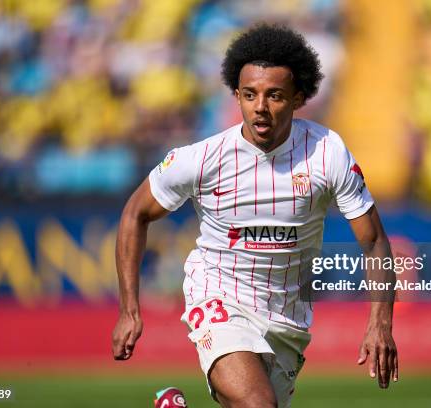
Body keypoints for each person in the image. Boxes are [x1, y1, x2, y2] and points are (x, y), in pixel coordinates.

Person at [112, 23, 398, 408]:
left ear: (299, 98)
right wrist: (130, 310)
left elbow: (375, 241)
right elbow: (135, 214)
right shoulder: (201, 158)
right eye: (249, 95)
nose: (260, 107)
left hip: (287, 316)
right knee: (258, 404)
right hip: (218, 296)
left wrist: (380, 323)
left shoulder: (328, 153)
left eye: (274, 95)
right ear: (237, 95)